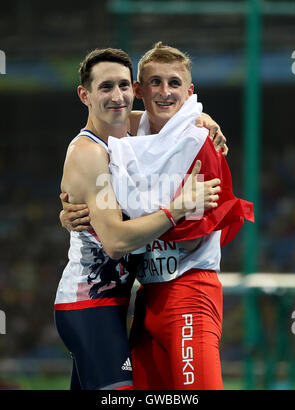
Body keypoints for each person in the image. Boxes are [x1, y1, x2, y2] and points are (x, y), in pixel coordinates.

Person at [61, 42, 253, 390]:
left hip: (170, 294)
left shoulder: (137, 135)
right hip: (96, 302)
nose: (117, 95)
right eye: (105, 87)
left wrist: (203, 119)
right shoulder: (93, 150)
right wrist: (177, 206)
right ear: (84, 95)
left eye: (121, 85)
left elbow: (179, 117)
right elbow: (117, 240)